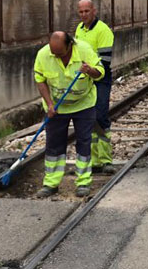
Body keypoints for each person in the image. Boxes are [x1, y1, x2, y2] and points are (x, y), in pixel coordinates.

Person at [34, 31, 105, 198]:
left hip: (84, 104)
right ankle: (51, 183)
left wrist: (90, 70)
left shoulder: (85, 50)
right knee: (54, 144)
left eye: (60, 54)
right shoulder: (44, 55)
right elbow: (40, 79)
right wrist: (50, 104)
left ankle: (83, 182)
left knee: (84, 142)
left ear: (70, 45)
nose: (57, 57)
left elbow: (100, 73)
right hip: (57, 107)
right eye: (54, 54)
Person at [74, 0, 116, 173]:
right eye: (81, 12)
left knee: (100, 117)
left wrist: (90, 69)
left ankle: (105, 159)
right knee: (88, 119)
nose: (84, 14)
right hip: (85, 80)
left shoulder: (103, 31)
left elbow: (104, 63)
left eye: (87, 11)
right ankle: (93, 159)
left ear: (94, 11)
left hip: (100, 79)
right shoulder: (79, 29)